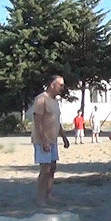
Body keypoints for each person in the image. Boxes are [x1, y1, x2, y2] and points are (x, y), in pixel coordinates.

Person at [31, 75, 70, 207]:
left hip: (53, 140)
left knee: (52, 168)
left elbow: (56, 122)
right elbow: (37, 122)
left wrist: (64, 137)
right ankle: (40, 199)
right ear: (52, 85)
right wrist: (44, 141)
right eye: (60, 85)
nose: (62, 88)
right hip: (42, 140)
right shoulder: (41, 99)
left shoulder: (55, 101)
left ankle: (48, 195)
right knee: (45, 169)